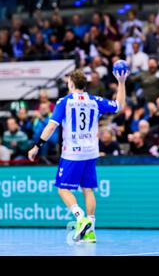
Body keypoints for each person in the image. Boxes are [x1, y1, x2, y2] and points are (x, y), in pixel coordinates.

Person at [28, 69, 128, 243]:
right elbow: (120, 105)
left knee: (63, 188)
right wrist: (121, 82)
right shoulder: (95, 101)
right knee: (87, 189)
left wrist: (37, 145)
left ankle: (81, 218)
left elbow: (51, 127)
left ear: (71, 84)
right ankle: (90, 232)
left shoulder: (64, 102)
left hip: (72, 153)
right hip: (91, 152)